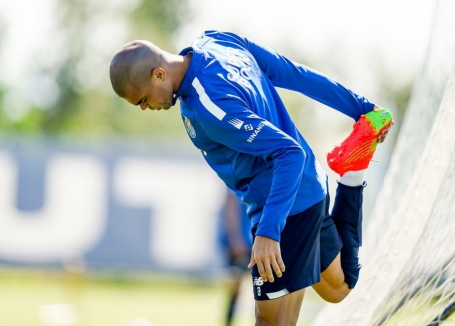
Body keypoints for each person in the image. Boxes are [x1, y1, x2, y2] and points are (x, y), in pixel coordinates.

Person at [109, 31, 393, 325]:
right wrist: (361, 109)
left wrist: (269, 232)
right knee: (338, 287)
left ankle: (349, 173)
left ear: (158, 74)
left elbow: (289, 153)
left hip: (285, 207)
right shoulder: (217, 41)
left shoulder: (210, 105)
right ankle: (353, 171)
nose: (145, 108)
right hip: (309, 187)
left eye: (142, 100)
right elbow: (295, 74)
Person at [219, 191, 252, 326]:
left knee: (261, 289)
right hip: (242, 243)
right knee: (235, 288)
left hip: (256, 240)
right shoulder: (238, 173)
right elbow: (230, 205)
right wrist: (235, 239)